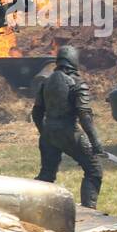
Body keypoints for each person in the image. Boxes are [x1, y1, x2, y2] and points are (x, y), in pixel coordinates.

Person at [32, 44, 104, 208]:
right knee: (94, 171)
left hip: (48, 133)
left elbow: (36, 114)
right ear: (74, 61)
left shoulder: (45, 83)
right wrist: (95, 141)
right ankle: (89, 213)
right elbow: (84, 115)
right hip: (70, 133)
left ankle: (35, 209)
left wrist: (46, 133)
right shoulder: (78, 84)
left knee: (46, 175)